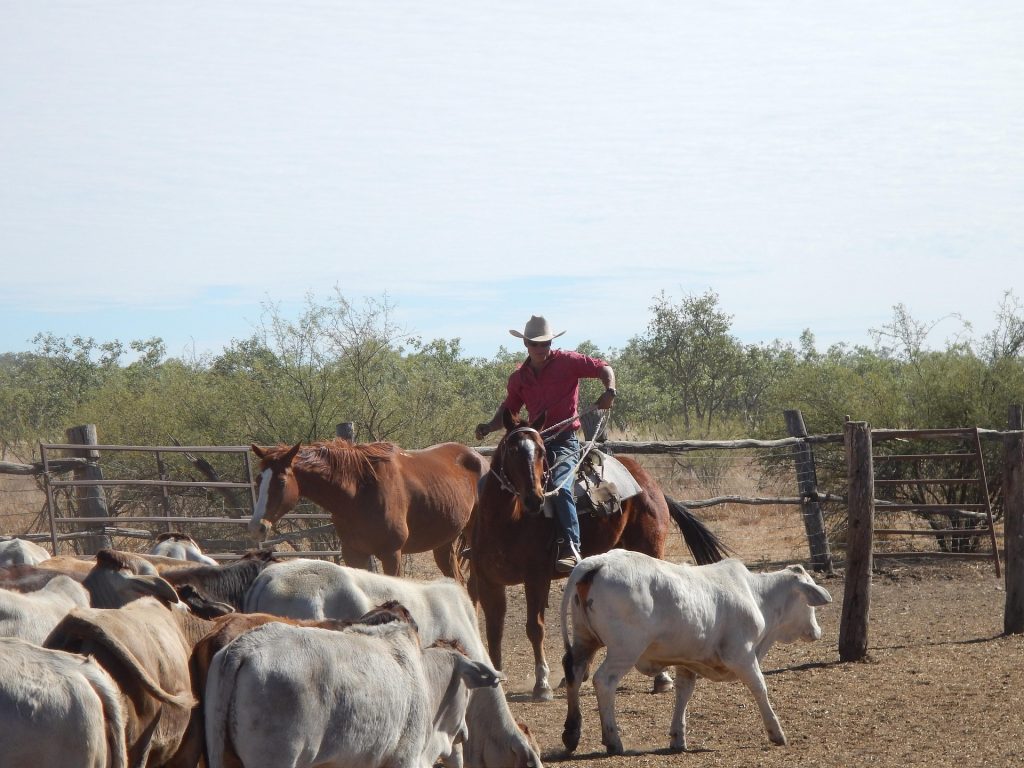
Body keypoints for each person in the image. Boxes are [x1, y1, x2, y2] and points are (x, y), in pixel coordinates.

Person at [475, 315, 617, 573]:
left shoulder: (569, 362)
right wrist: (488, 426)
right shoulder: (518, 378)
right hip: (533, 443)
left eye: (546, 343)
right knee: (488, 483)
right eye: (535, 344)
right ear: (526, 344)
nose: (541, 348)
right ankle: (483, 540)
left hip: (564, 441)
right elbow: (510, 407)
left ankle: (571, 546)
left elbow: (603, 368)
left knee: (561, 488)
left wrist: (610, 391)